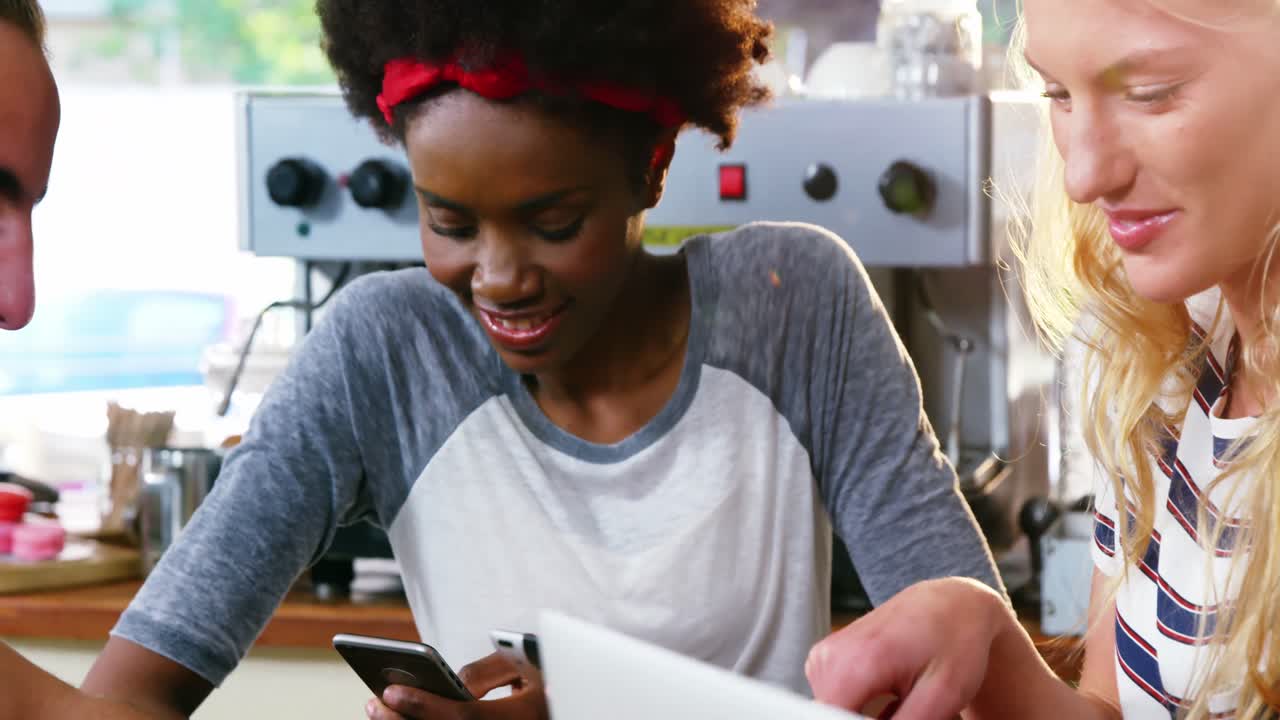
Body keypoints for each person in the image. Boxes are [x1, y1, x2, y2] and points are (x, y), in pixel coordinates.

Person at [57, 2, 1001, 719]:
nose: (500, 279)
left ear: (653, 168)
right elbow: (129, 692)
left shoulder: (796, 308)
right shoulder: (381, 352)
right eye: (449, 222)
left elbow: (977, 674)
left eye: (554, 223)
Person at [804, 1, 1280, 719]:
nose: (1082, 177)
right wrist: (992, 647)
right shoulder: (1157, 359)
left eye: (1149, 93)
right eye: (1056, 93)